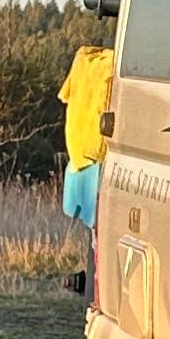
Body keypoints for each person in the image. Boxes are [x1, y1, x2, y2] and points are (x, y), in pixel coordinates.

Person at [58, 14, 114, 229]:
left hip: (79, 154)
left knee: (94, 233)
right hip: (95, 155)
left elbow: (64, 96)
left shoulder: (84, 63)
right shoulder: (105, 68)